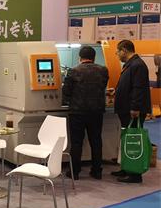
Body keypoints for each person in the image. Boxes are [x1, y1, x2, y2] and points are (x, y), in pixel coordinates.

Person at [62, 46, 109, 180]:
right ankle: (97, 171)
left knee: (77, 142)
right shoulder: (103, 70)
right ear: (94, 57)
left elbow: (66, 92)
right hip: (96, 112)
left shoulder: (73, 71)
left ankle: (75, 172)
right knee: (96, 141)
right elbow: (102, 87)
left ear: (80, 57)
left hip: (77, 112)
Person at [112, 39, 152, 183]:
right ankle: (126, 167)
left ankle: (135, 174)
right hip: (126, 109)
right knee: (127, 140)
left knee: (133, 141)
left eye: (117, 52)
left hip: (132, 110)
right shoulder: (131, 64)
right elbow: (128, 85)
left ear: (124, 50)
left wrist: (135, 107)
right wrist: (116, 91)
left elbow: (138, 88)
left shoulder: (138, 65)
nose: (117, 55)